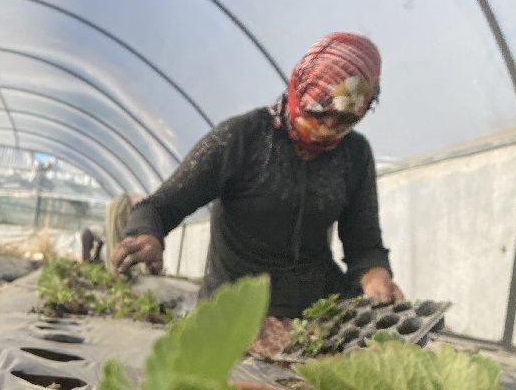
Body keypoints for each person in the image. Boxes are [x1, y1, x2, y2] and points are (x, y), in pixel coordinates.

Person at [111, 32, 404, 320]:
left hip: (315, 312)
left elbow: (364, 245)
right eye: (317, 113)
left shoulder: (354, 154)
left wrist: (375, 278)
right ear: (298, 89)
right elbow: (160, 207)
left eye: (345, 119)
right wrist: (147, 235)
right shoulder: (243, 138)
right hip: (233, 312)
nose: (328, 127)